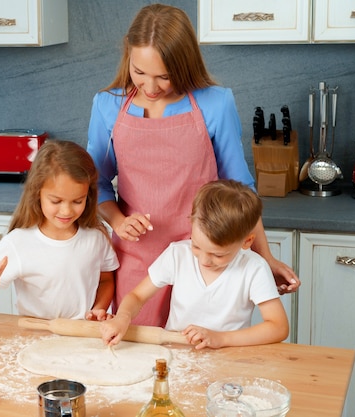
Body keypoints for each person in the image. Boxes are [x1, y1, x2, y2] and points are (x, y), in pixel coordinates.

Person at [86, 3, 299, 327]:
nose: (151, 87)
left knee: (201, 358)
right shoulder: (107, 105)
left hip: (207, 255)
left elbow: (240, 189)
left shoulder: (216, 103)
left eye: (164, 76)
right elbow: (97, 182)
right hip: (136, 258)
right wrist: (117, 220)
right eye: (139, 72)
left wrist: (264, 258)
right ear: (128, 54)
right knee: (141, 362)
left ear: (184, 64)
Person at [100, 179, 289, 350]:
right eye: (196, 246)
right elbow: (137, 295)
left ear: (247, 242)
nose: (204, 260)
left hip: (229, 358)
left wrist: (220, 339)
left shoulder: (254, 269)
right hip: (175, 355)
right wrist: (122, 318)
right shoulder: (178, 255)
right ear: (191, 225)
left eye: (218, 254)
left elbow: (278, 327)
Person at [0, 140, 119, 320]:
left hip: (81, 334)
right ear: (37, 193)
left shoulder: (95, 237)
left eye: (78, 201)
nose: (67, 211)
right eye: (56, 201)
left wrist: (98, 309)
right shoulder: (18, 242)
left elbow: (106, 280)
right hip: (34, 335)